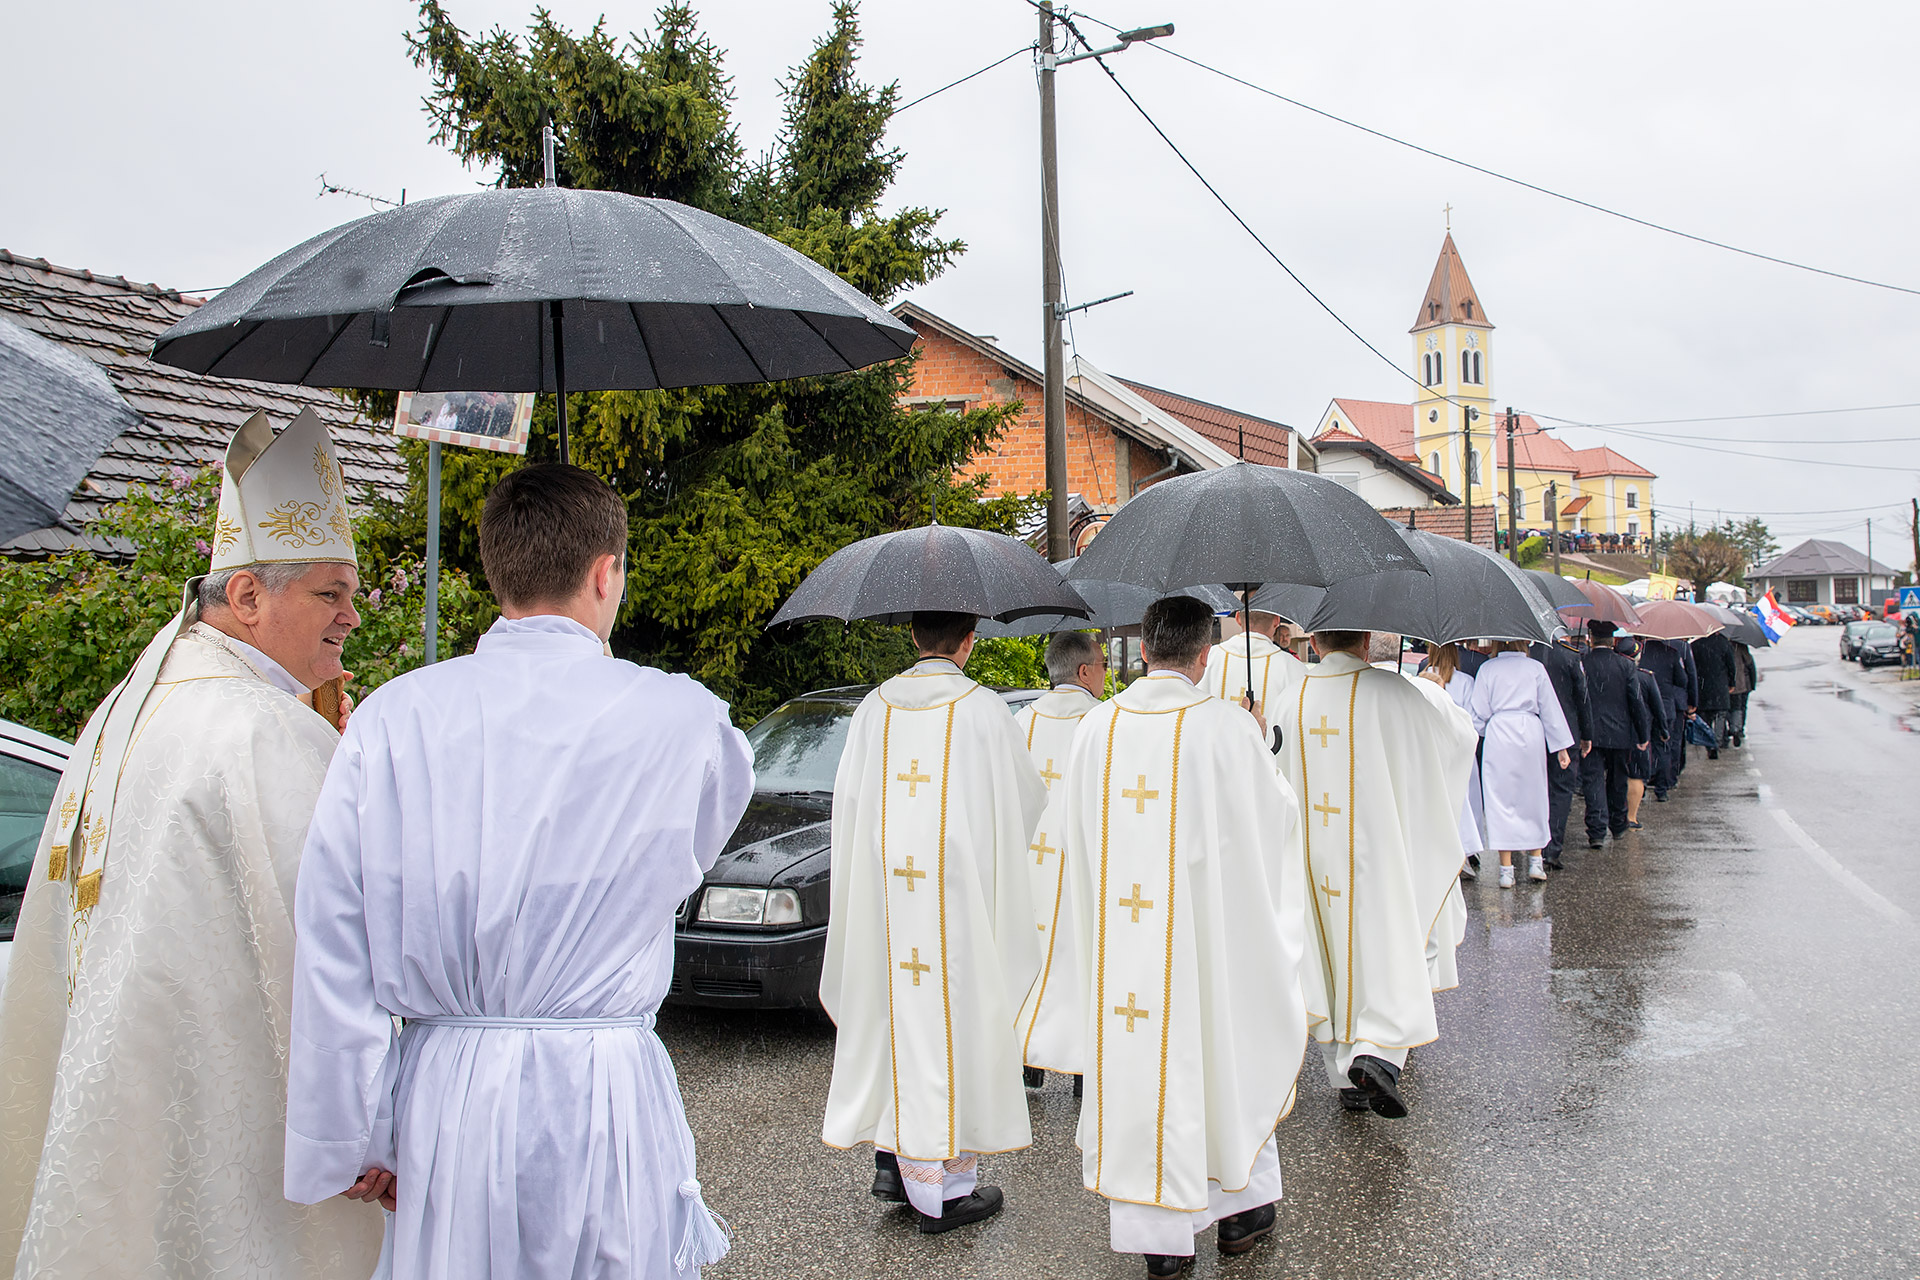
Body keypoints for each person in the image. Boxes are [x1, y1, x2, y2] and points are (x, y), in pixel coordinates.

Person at [285, 464, 754, 1279]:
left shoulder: (395, 716)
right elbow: (677, 859)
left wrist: (357, 1129)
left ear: (496, 571)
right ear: (606, 572)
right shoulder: (688, 720)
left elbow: (334, 936)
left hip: (450, 1094)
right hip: (600, 1087)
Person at [0, 409, 383, 1277]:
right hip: (230, 1122)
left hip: (125, 1096)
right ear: (248, 597)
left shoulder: (130, 704)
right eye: (331, 593)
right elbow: (322, 950)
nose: (352, 618)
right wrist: (362, 1125)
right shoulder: (258, 731)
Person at [1060, 596, 1306, 1275]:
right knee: (1225, 1053)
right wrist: (1259, 739)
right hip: (1206, 943)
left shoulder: (1097, 726)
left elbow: (1070, 837)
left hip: (1123, 951)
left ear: (1143, 649)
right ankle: (1241, 1212)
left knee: (1144, 1074)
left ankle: (1160, 1243)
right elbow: (1275, 824)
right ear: (1206, 657)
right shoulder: (1227, 727)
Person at [819, 610, 1046, 1232]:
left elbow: (850, 807)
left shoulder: (874, 709)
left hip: (890, 896)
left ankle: (895, 1163)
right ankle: (944, 1191)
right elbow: (1025, 800)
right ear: (969, 642)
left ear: (914, 637)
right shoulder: (983, 711)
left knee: (896, 1018)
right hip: (958, 904)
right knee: (953, 1025)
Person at [1280, 629, 1475, 1120]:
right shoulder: (1396, 694)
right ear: (1366, 643)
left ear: (1316, 643)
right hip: (1379, 854)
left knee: (1325, 960)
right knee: (1387, 945)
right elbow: (1455, 744)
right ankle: (1378, 1054)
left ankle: (1342, 1075)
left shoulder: (1289, 699)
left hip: (1310, 860)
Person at [1012, 631, 1106, 1085]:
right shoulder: (1104, 722)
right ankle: (1082, 1073)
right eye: (1104, 666)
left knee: (1029, 956)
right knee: (1080, 962)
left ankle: (1028, 1059)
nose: (1106, 674)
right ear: (1084, 671)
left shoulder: (1020, 722)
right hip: (1082, 868)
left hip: (1028, 867)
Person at [1469, 640, 1576, 887]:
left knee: (1500, 798)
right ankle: (1536, 860)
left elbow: (1479, 712)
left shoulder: (1488, 668)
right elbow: (1550, 707)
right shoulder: (1535, 668)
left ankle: (1506, 869)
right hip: (1530, 732)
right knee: (1534, 795)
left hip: (1499, 732)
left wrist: (1475, 735)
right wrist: (1560, 747)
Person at [1578, 621, 1651, 847]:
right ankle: (1618, 822)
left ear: (1590, 638)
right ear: (1612, 640)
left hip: (1589, 732)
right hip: (1620, 733)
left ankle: (1597, 829)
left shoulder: (1582, 663)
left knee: (1593, 781)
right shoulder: (1625, 666)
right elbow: (1636, 702)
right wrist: (1642, 734)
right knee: (1618, 780)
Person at [1530, 631, 1594, 869]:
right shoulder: (1569, 657)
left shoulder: (1529, 654)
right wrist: (1587, 734)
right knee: (1561, 789)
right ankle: (1552, 847)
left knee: (1536, 789)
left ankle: (1533, 843)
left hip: (1533, 731)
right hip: (1567, 731)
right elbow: (1582, 698)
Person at [1203, 608, 1305, 750]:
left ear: (1238, 618)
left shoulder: (1207, 659)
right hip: (1273, 764)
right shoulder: (1294, 667)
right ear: (1277, 621)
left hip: (1216, 761)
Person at [1617, 637, 1668, 829]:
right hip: (1639, 733)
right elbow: (1657, 706)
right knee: (1636, 775)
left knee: (1616, 774)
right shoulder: (1645, 677)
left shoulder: (1614, 673)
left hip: (1616, 730)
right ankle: (1631, 816)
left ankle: (1617, 813)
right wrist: (1663, 729)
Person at [1637, 638, 1690, 801]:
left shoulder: (1641, 653)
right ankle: (1662, 788)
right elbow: (1682, 680)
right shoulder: (1672, 654)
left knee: (1643, 746)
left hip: (1644, 707)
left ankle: (1642, 784)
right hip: (1665, 706)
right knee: (1663, 747)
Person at [1691, 629, 1738, 758]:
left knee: (1705, 719)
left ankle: (1709, 744)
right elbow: (1731, 665)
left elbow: (1691, 668)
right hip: (1720, 687)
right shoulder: (1723, 644)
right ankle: (1717, 742)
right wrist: (1732, 683)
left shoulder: (1695, 645)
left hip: (1702, 688)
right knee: (1720, 717)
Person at [1727, 640, 1757, 746]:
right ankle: (1738, 729)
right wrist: (1752, 683)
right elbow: (1749, 664)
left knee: (1724, 709)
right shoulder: (1740, 646)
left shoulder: (1722, 644)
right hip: (1739, 684)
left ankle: (1726, 731)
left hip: (1724, 684)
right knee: (1739, 707)